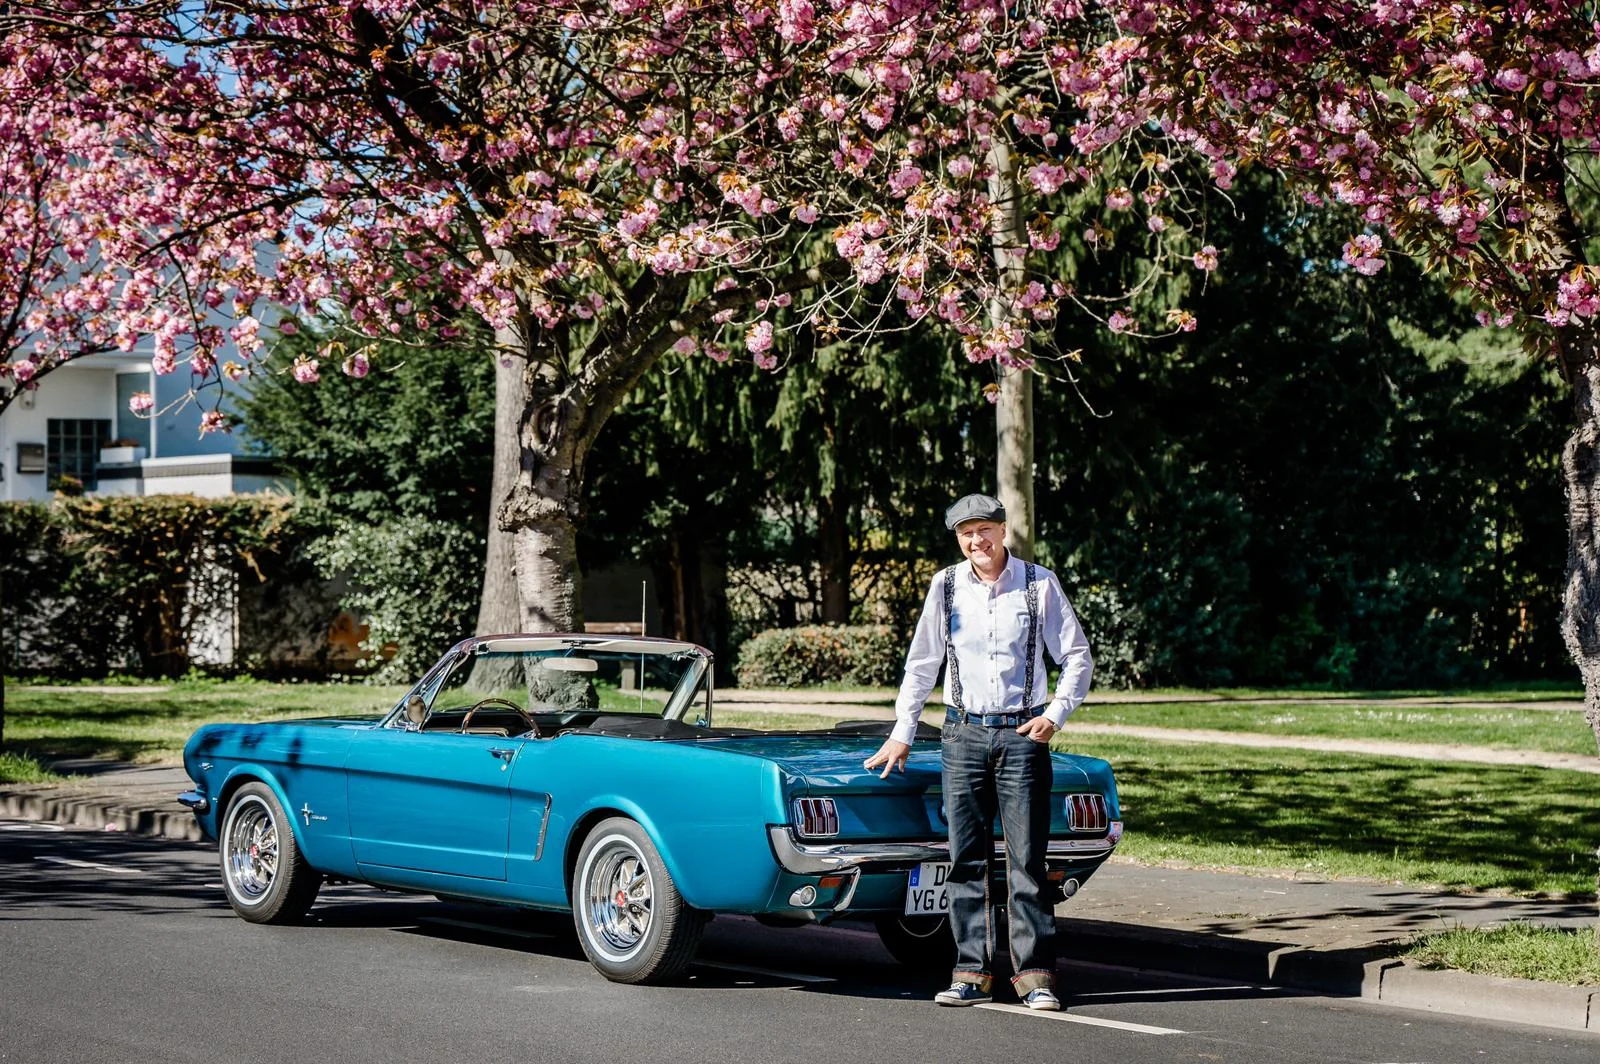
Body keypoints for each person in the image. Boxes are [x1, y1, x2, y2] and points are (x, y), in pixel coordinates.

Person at [863, 492, 1092, 1011]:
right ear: (957, 538)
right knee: (965, 861)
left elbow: (1076, 656)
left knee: (1027, 861)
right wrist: (902, 730)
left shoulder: (1039, 584)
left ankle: (1035, 977)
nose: (977, 541)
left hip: (1021, 737)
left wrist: (1054, 715)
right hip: (962, 736)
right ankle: (971, 973)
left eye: (985, 530)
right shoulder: (944, 587)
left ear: (1003, 531)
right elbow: (922, 664)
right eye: (967, 533)